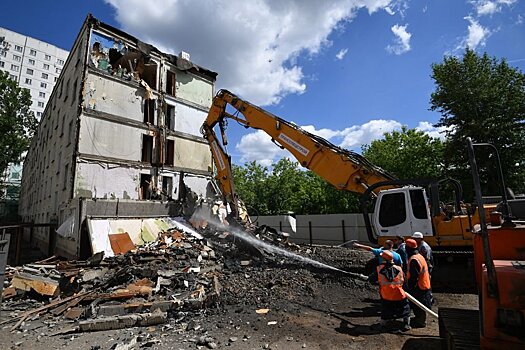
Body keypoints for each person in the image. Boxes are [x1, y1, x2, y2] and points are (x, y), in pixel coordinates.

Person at [369, 250, 411, 332]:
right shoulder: (399, 269)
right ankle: (406, 324)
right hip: (399, 294)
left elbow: (371, 280)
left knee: (385, 310)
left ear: (383, 259)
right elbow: (405, 281)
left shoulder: (379, 269)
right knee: (405, 309)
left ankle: (383, 324)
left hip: (386, 295)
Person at [405, 238, 432, 328]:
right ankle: (419, 319)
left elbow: (414, 276)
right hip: (424, 283)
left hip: (419, 286)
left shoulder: (414, 259)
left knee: (419, 304)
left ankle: (420, 322)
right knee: (421, 304)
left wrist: (410, 287)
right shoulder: (419, 256)